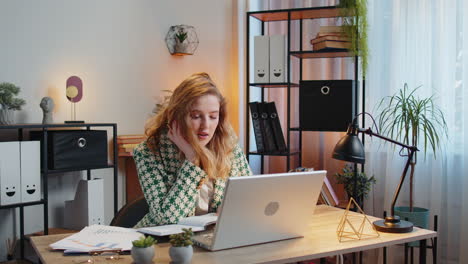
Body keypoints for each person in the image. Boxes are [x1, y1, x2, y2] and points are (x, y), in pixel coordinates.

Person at [133, 72, 252, 228]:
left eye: (213, 116)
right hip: (161, 244)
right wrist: (192, 159)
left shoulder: (229, 146)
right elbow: (165, 219)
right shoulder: (148, 152)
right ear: (176, 116)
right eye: (196, 116)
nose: (206, 126)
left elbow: (251, 200)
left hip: (214, 239)